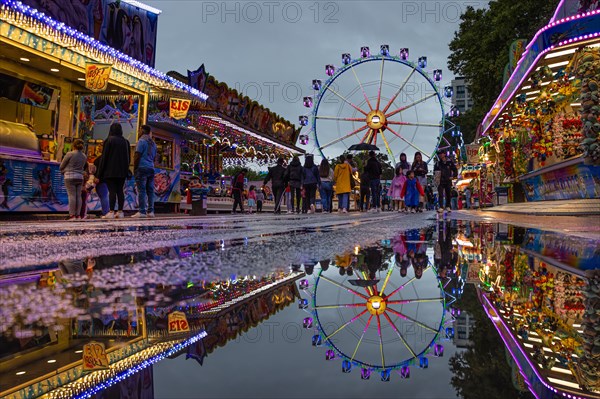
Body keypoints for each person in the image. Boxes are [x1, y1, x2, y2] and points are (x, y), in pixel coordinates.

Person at [97, 123, 131, 219]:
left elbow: (104, 158)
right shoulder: (126, 142)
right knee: (120, 191)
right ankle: (120, 211)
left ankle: (111, 211)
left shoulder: (109, 140)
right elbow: (128, 158)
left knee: (112, 191)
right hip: (122, 171)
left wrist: (99, 173)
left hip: (110, 171)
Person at [60, 139, 88, 221]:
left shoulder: (70, 154)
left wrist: (63, 171)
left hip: (69, 176)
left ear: (73, 145)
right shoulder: (84, 156)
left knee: (71, 195)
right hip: (80, 177)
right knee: (78, 196)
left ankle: (72, 215)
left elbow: (61, 166)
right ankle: (78, 215)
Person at [132, 125, 157, 218]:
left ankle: (142, 211)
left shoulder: (141, 141)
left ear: (142, 131)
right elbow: (155, 157)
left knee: (141, 190)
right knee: (150, 191)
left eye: (139, 130)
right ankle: (151, 211)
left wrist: (135, 168)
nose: (138, 132)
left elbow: (137, 155)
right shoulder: (153, 143)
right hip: (151, 168)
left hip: (142, 167)